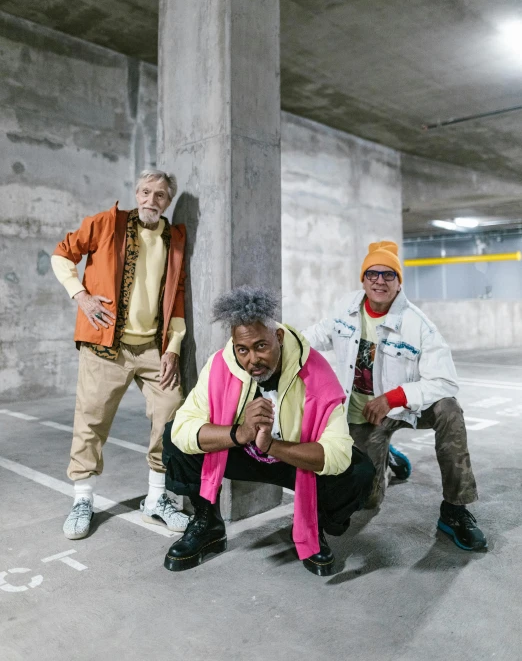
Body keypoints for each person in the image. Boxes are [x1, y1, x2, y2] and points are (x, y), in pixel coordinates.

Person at [161, 287, 375, 576]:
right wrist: (240, 433)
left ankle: (313, 524)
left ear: (279, 338)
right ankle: (207, 523)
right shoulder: (220, 367)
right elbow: (184, 428)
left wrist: (271, 446)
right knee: (174, 435)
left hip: (291, 460)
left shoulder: (317, 374)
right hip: (242, 451)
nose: (252, 360)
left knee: (359, 471)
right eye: (243, 350)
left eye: (261, 346)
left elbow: (337, 453)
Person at [303, 240, 487, 551]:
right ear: (363, 280)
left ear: (398, 282)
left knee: (449, 411)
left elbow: (445, 381)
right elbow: (319, 334)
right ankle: (385, 455)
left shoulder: (418, 325)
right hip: (364, 415)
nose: (379, 281)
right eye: (372, 273)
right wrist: (281, 339)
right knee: (368, 501)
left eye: (389, 275)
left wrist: (395, 397)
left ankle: (455, 510)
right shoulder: (346, 309)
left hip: (405, 407)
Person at [51, 169, 190, 540]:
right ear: (136, 192)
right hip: (105, 346)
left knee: (171, 413)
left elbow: (177, 298)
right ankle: (82, 499)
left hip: (152, 348)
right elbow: (62, 255)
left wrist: (172, 348)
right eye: (146, 192)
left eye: (160, 195)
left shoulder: (174, 239)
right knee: (91, 420)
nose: (151, 200)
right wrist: (80, 296)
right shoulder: (105, 223)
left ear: (168, 201)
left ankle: (157, 499)